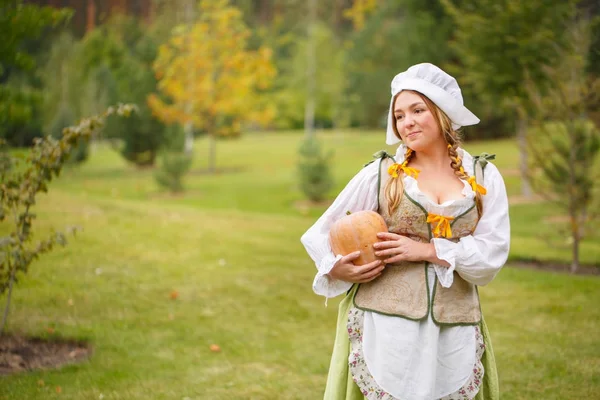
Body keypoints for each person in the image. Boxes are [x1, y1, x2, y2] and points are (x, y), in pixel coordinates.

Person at [300, 63, 510, 400]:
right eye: (398, 115)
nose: (406, 121)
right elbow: (322, 232)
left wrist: (429, 250)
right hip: (385, 325)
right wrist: (335, 266)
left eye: (417, 110)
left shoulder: (483, 176)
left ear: (442, 113)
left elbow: (492, 254)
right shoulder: (382, 173)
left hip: (452, 325)